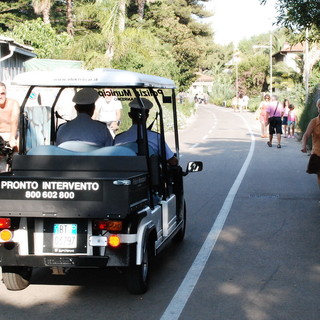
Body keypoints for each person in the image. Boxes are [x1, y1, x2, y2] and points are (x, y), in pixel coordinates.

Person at [114, 98, 178, 166]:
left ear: (129, 115)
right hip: (149, 176)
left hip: (123, 175)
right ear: (147, 116)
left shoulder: (118, 139)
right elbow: (172, 162)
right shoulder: (156, 138)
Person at [301, 99, 320, 188]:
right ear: (318, 108)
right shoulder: (314, 122)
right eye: (319, 106)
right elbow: (306, 135)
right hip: (318, 153)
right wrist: (303, 146)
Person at [0, 82, 20, 149]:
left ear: (6, 93)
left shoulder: (13, 103)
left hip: (12, 133)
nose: (0, 96)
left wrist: (12, 137)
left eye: (2, 93)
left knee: (18, 144)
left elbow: (14, 121)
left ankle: (17, 159)